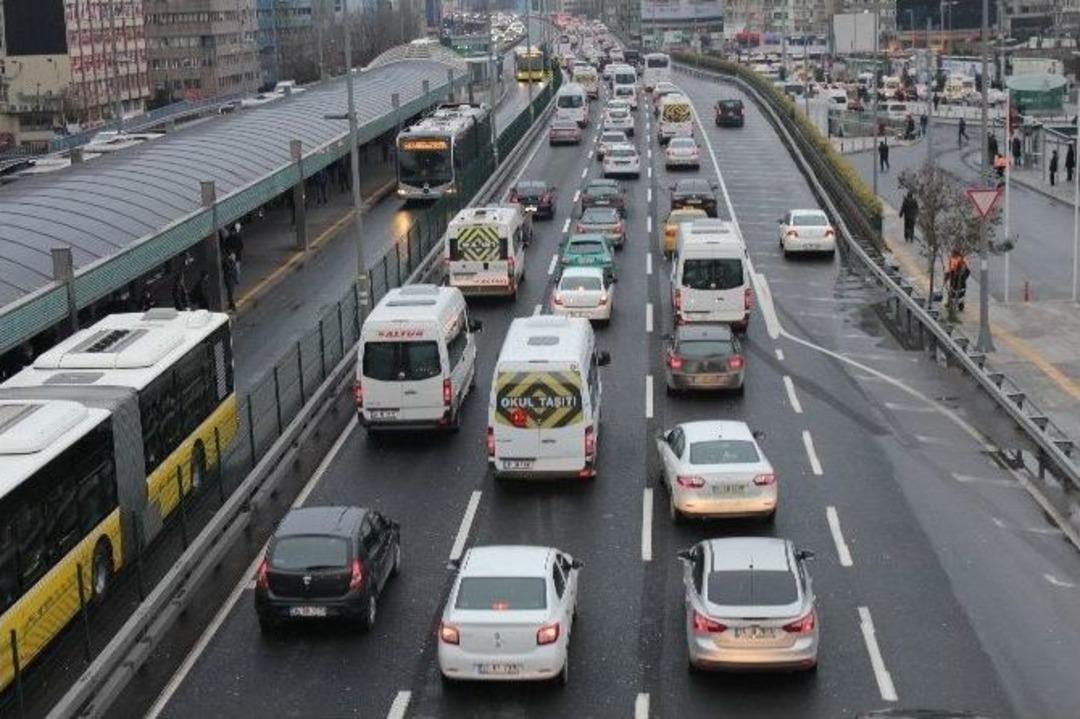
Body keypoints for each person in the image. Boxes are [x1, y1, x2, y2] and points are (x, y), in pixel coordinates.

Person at [944, 249, 971, 313]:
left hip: (958, 276)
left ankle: (958, 305)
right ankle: (955, 304)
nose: (952, 254)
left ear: (956, 253)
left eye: (953, 253)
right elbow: (967, 270)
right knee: (956, 291)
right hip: (957, 277)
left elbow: (967, 269)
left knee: (957, 291)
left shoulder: (960, 259)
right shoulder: (958, 259)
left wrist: (947, 277)